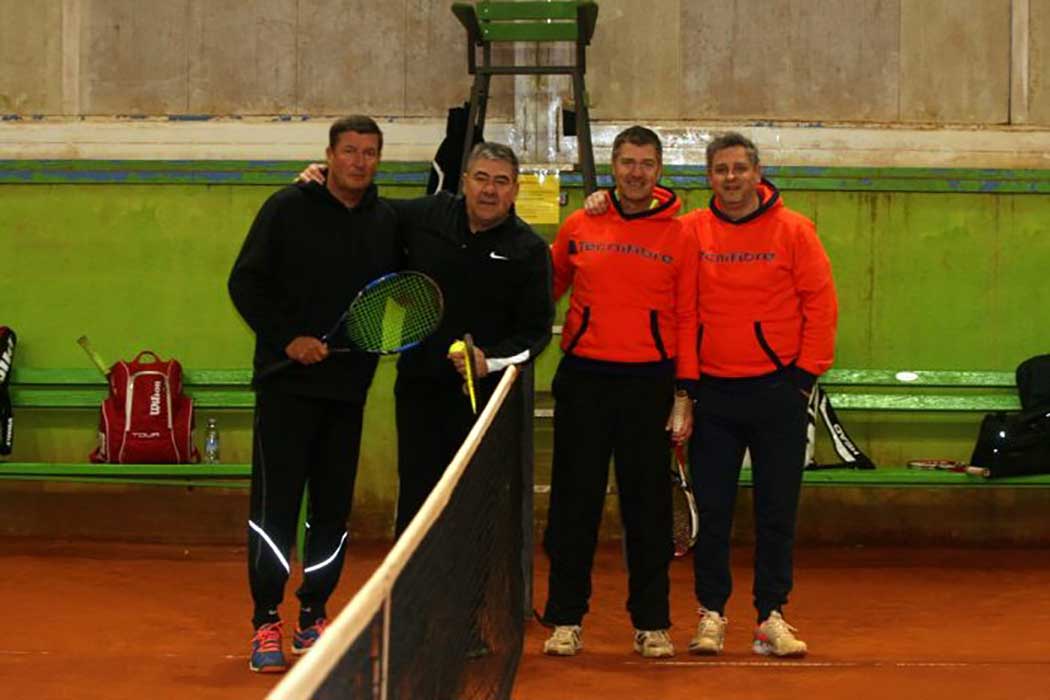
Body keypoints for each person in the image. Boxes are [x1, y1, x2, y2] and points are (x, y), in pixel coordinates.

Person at [297, 142, 554, 536]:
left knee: (480, 507)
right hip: (420, 391)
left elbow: (536, 332)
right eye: (481, 178)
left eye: (501, 182)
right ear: (464, 182)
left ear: (515, 190)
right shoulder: (427, 215)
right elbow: (366, 209)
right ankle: (413, 578)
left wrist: (488, 360)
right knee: (419, 501)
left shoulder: (529, 250)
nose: (490, 190)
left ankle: (474, 579)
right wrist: (324, 184)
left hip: (488, 400)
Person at [228, 115, 402, 673]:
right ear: (328, 155)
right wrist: (290, 340)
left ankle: (314, 615)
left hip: (346, 392)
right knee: (274, 511)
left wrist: (380, 342)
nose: (359, 161)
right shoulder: (286, 207)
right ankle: (265, 620)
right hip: (285, 389)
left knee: (331, 513)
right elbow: (245, 283)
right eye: (349, 151)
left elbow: (398, 293)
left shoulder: (388, 221)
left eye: (369, 152)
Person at [540, 125, 698, 659]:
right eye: (628, 162)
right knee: (573, 506)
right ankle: (565, 619)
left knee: (647, 510)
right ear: (614, 166)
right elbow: (548, 288)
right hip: (585, 381)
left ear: (659, 171)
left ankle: (652, 624)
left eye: (646, 163)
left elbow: (688, 316)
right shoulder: (581, 223)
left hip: (649, 385)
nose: (636, 172)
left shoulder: (680, 236)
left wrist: (684, 391)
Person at [683, 132, 837, 657]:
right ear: (710, 177)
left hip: (778, 395)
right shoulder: (690, 231)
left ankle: (771, 616)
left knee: (777, 513)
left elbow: (820, 305)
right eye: (721, 169)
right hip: (714, 398)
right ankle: (711, 614)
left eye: (740, 168)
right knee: (713, 512)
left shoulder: (795, 230)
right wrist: (687, 385)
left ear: (757, 172)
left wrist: (803, 377)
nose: (731, 178)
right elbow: (679, 303)